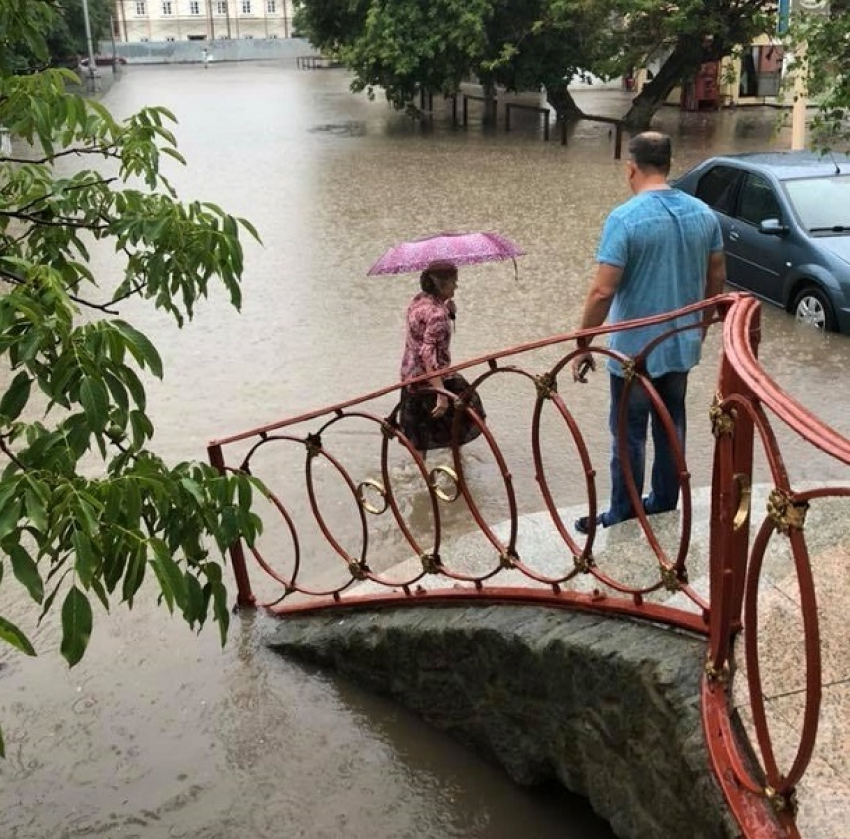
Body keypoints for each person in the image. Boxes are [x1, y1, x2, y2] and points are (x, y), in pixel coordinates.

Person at [571, 131, 726, 534]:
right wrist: (700, 328)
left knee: (628, 434)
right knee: (672, 423)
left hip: (633, 353)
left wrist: (582, 342)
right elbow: (717, 279)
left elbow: (603, 290)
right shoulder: (704, 215)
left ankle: (622, 513)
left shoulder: (624, 219)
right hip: (680, 344)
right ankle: (664, 503)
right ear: (669, 164)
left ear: (631, 168)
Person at [396, 261, 485, 459]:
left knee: (419, 437)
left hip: (410, 377)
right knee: (466, 409)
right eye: (453, 282)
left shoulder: (419, 301)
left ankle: (424, 475)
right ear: (441, 284)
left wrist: (448, 311)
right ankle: (456, 462)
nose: (456, 286)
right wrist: (441, 394)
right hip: (431, 378)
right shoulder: (437, 315)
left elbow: (422, 331)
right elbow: (428, 353)